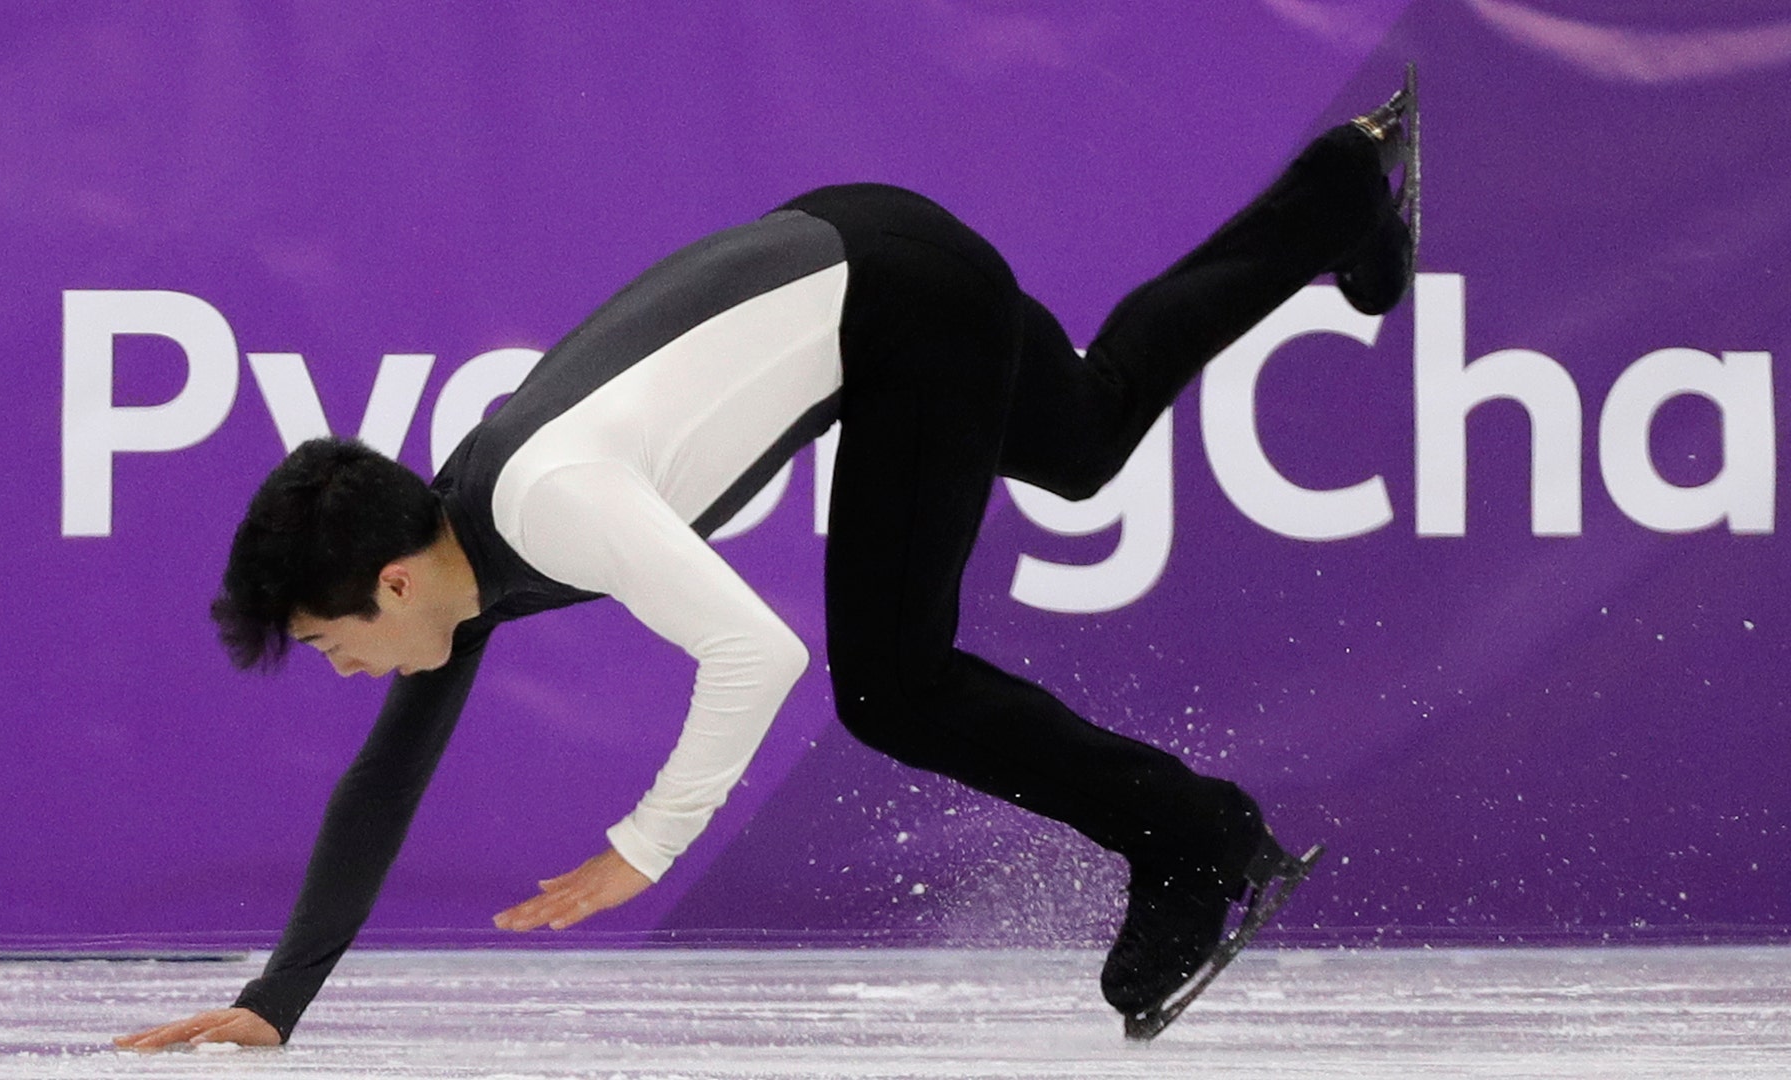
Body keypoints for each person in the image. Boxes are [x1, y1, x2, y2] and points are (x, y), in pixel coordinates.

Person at [114, 78, 1418, 1051]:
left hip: (900, 304)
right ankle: (1345, 188)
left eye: (337, 647)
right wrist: (273, 1001)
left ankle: (1200, 842)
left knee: (889, 685)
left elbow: (758, 654)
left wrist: (645, 844)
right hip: (866, 248)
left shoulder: (550, 503)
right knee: (1080, 440)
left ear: (391, 584)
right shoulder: (456, 547)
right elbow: (383, 780)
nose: (355, 675)